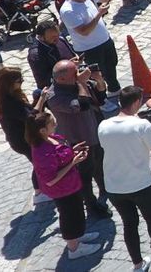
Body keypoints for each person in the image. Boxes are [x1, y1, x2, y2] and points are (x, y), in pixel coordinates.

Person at [98, 86, 151, 272]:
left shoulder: (103, 125)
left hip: (114, 187)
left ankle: (138, 264)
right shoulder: (142, 126)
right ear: (136, 102)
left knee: (129, 224)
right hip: (141, 184)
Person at [26, 110, 102, 259]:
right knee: (69, 217)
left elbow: (60, 157)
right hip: (62, 190)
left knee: (78, 213)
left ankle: (77, 236)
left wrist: (73, 152)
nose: (56, 124)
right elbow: (50, 179)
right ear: (42, 130)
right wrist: (74, 162)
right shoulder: (42, 152)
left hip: (71, 185)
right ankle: (73, 249)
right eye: (52, 123)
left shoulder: (51, 138)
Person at [44, 59, 112, 220]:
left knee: (100, 166)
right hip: (78, 142)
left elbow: (101, 97)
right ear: (61, 78)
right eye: (74, 73)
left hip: (93, 135)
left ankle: (105, 188)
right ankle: (91, 205)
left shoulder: (76, 83)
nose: (78, 74)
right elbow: (82, 105)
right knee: (85, 177)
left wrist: (99, 80)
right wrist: (81, 82)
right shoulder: (54, 96)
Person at [58, 0, 122, 113]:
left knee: (111, 65)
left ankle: (114, 89)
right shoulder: (68, 10)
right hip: (89, 48)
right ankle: (101, 100)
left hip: (104, 40)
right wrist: (99, 14)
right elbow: (84, 31)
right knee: (96, 76)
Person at [0, 67, 51, 204]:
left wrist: (38, 99)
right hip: (22, 140)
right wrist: (42, 99)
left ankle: (41, 189)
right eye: (18, 80)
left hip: (23, 136)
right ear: (9, 83)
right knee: (38, 164)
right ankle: (39, 193)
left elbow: (29, 111)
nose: (21, 82)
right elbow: (30, 117)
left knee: (38, 162)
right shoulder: (8, 103)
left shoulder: (12, 96)